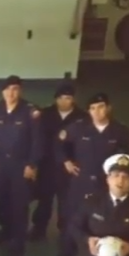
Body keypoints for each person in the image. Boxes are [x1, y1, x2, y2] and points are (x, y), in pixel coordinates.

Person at [55, 93, 129, 256]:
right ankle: (67, 250)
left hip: (105, 184)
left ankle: (103, 249)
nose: (97, 112)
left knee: (103, 218)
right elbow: (59, 143)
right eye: (93, 108)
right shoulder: (79, 127)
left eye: (101, 107)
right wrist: (66, 161)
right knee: (72, 216)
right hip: (81, 181)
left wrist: (121, 174)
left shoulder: (119, 130)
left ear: (108, 108)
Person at [0, 75, 42, 256]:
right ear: (2, 91)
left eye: (15, 89)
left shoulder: (30, 112)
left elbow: (37, 141)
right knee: (0, 198)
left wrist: (32, 164)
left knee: (19, 203)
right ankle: (5, 229)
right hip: (1, 163)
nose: (11, 93)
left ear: (20, 91)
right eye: (8, 89)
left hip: (21, 164)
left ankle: (18, 241)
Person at [29, 83, 88, 242]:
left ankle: (65, 231)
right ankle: (39, 228)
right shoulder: (46, 114)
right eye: (60, 98)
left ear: (73, 99)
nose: (64, 102)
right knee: (44, 199)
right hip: (47, 165)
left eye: (68, 98)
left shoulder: (82, 117)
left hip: (69, 167)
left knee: (66, 202)